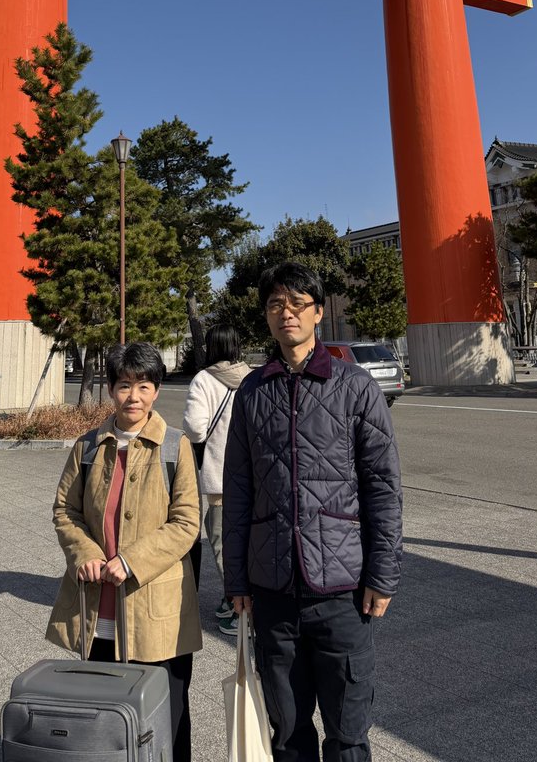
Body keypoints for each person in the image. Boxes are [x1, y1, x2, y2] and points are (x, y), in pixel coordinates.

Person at [223, 262, 403, 762]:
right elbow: (237, 490)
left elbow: (383, 487)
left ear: (318, 313)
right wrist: (236, 580)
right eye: (276, 304)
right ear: (266, 316)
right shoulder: (253, 392)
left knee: (348, 735)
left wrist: (383, 575)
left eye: (298, 304)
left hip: (343, 590)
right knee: (287, 734)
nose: (288, 314)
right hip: (273, 587)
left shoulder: (356, 387)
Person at [46, 342, 202, 762]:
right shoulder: (90, 446)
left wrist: (131, 561)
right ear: (111, 389)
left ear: (156, 390)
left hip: (157, 610)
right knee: (104, 718)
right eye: (124, 385)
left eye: (144, 386)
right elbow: (66, 509)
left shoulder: (174, 446)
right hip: (97, 609)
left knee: (166, 714)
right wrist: (85, 553)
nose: (133, 396)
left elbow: (187, 522)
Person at [182, 323, 250, 636]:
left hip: (222, 477)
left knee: (225, 544)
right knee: (249, 543)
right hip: (255, 475)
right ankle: (231, 600)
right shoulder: (252, 376)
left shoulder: (204, 379)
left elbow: (196, 428)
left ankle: (242, 613)